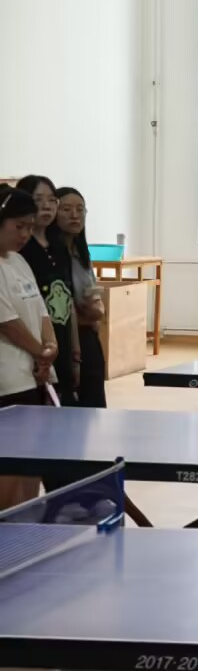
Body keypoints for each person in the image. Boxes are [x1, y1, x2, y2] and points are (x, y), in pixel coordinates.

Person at [0, 186, 56, 509]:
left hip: (35, 377)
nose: (24, 234)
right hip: (8, 382)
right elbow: (7, 322)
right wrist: (41, 352)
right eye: (18, 226)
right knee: (10, 469)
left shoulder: (20, 261)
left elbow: (41, 310)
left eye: (29, 227)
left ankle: (28, 529)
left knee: (31, 463)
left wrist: (50, 347)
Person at [16, 175, 78, 405]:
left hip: (61, 342)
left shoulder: (60, 246)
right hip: (34, 347)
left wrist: (76, 352)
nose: (47, 205)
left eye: (52, 200)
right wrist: (39, 352)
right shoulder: (19, 250)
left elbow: (69, 300)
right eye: (38, 199)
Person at [53, 188, 107, 408]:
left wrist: (97, 310)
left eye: (80, 209)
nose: (74, 215)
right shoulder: (52, 256)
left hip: (89, 335)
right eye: (66, 209)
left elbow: (93, 295)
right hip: (67, 339)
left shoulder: (81, 252)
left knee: (93, 402)